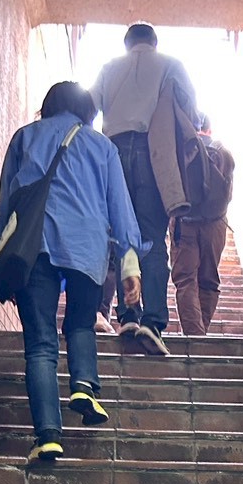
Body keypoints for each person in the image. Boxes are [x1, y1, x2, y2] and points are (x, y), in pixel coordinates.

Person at [0, 81, 146, 465]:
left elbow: (7, 204)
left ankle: (48, 437)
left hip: (34, 248)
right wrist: (129, 266)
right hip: (87, 250)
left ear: (48, 105)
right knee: (80, 322)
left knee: (40, 345)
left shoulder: (24, 138)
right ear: (87, 111)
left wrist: (4, 257)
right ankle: (83, 386)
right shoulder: (102, 146)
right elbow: (120, 207)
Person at [90, 23, 198, 357]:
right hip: (155, 155)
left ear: (127, 44)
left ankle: (127, 317)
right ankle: (153, 321)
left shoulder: (109, 68)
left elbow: (88, 108)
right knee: (151, 239)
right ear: (153, 42)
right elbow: (191, 113)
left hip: (113, 154)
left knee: (121, 238)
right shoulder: (170, 64)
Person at [170, 116, 235, 336]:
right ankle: (200, 336)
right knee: (208, 281)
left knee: (185, 280)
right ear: (209, 129)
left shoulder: (180, 149)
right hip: (215, 226)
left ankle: (194, 336)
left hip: (184, 223)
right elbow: (228, 195)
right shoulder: (223, 153)